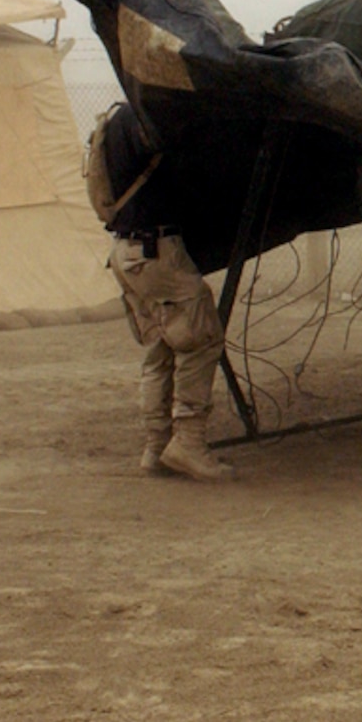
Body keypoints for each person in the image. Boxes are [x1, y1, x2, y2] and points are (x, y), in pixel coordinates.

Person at [85, 107, 238, 481]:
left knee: (162, 346)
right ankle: (188, 443)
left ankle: (156, 446)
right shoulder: (148, 120)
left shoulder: (113, 124)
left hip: (126, 252)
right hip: (156, 251)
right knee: (199, 339)